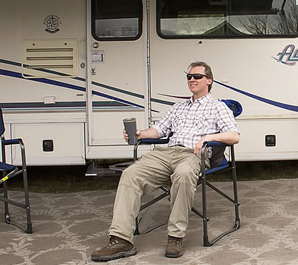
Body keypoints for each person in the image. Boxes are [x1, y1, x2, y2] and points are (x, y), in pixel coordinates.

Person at [91, 61, 240, 261]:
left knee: (184, 173)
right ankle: (121, 239)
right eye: (189, 77)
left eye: (197, 76)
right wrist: (142, 133)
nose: (192, 80)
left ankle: (175, 237)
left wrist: (208, 138)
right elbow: (159, 130)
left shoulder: (218, 107)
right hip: (166, 153)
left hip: (193, 154)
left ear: (209, 80)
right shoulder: (178, 107)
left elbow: (234, 136)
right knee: (130, 174)